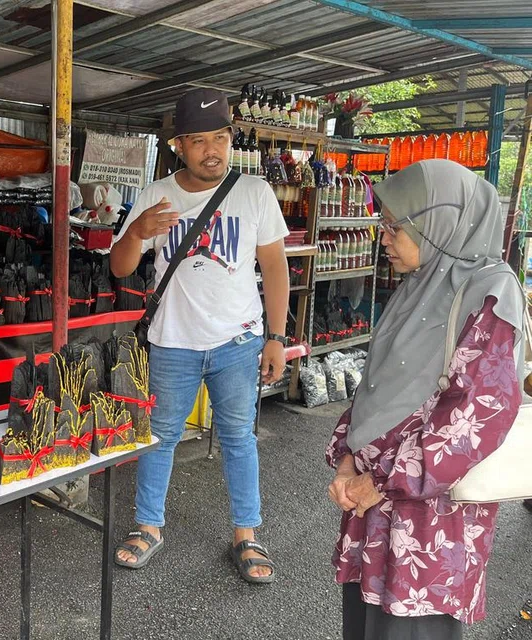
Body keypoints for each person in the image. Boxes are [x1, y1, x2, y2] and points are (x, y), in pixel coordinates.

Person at [326, 160, 524, 639]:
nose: (384, 238)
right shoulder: (420, 284)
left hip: (430, 521)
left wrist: (383, 482)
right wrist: (349, 460)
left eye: (396, 227)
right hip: (373, 505)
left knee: (413, 629)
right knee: (366, 624)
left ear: (439, 222)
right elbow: (377, 382)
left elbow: (478, 414)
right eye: (383, 225)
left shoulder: (490, 293)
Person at [110, 88, 290, 583]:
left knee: (238, 438)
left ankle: (247, 535)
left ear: (231, 139)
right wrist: (137, 232)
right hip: (172, 341)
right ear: (179, 145)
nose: (212, 149)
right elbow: (120, 268)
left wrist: (276, 336)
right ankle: (148, 526)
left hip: (239, 341)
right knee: (160, 437)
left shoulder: (254, 192)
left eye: (221, 137)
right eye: (199, 140)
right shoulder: (157, 195)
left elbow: (275, 267)